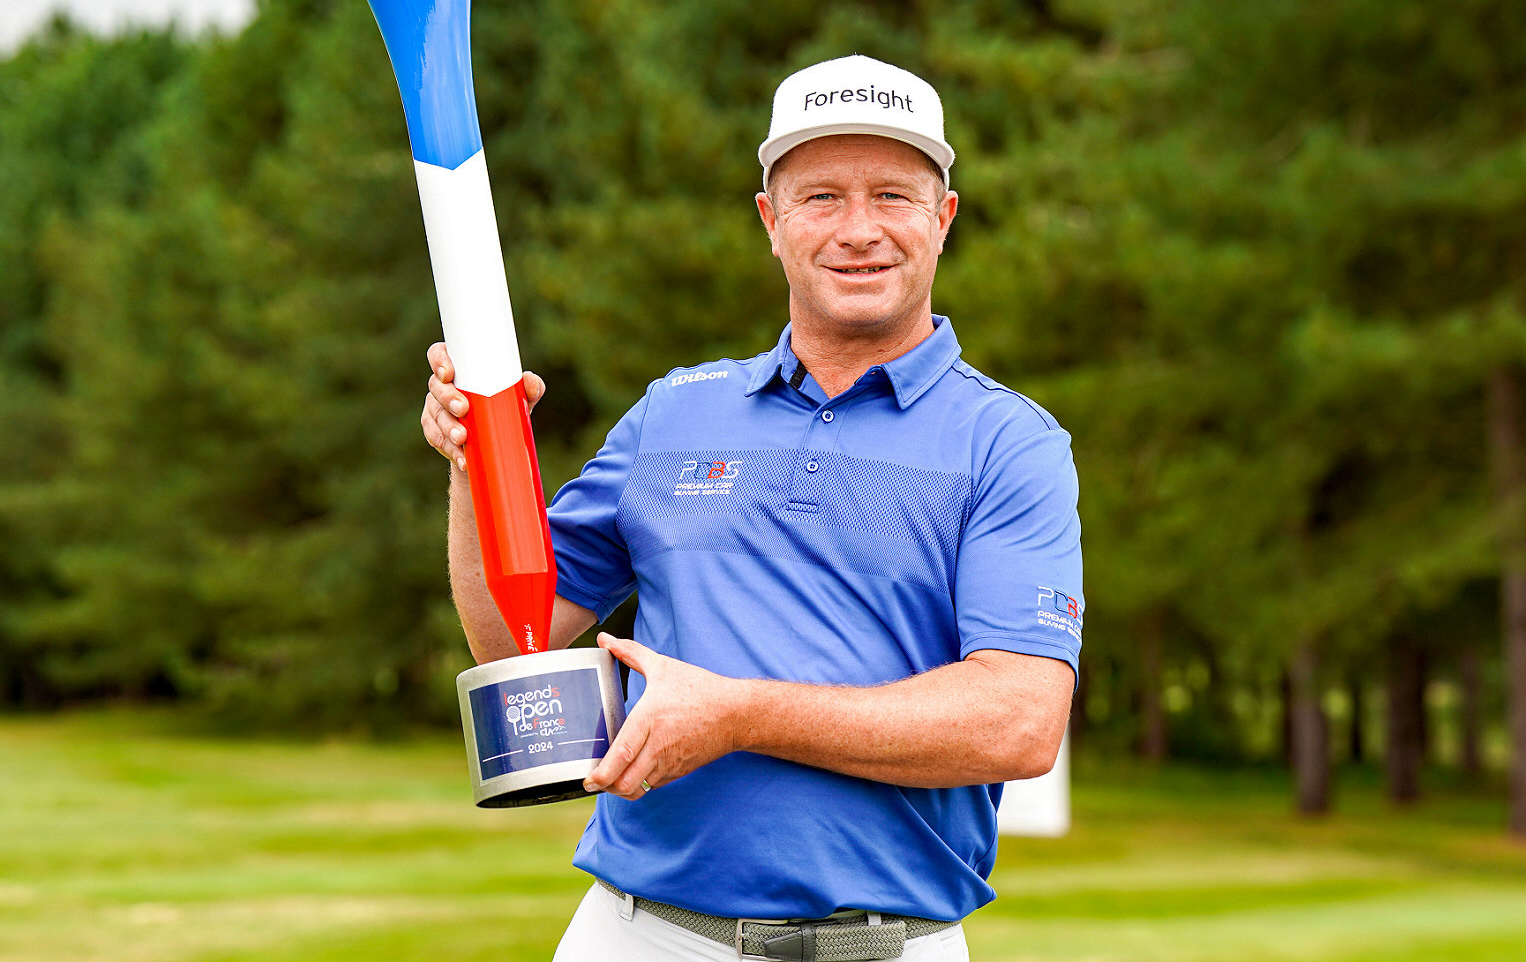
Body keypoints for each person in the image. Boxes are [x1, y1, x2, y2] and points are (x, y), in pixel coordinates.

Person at [421, 55, 1083, 961]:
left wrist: (736, 715)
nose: (859, 230)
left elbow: (1018, 721)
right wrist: (475, 466)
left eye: (892, 195)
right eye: (820, 198)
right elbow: (511, 642)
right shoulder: (673, 412)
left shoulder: (1011, 442)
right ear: (771, 221)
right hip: (643, 937)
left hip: (894, 947)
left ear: (943, 219)